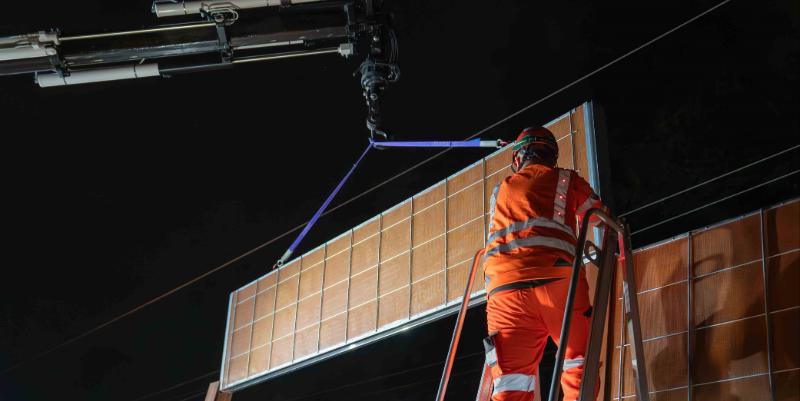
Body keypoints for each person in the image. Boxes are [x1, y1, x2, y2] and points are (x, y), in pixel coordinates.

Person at [483, 126, 606, 401]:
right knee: (578, 365)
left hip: (505, 295)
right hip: (560, 287)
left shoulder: (498, 192)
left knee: (510, 384)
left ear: (518, 159)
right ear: (552, 155)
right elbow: (599, 217)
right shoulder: (566, 179)